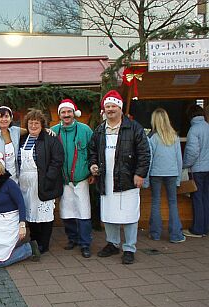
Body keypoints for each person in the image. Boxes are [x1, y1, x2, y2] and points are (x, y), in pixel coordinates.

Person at [88, 90, 150, 265]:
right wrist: (93, 165)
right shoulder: (100, 130)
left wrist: (140, 173)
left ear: (120, 108)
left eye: (113, 106)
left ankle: (129, 248)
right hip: (106, 179)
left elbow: (144, 153)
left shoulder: (134, 128)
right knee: (109, 213)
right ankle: (112, 243)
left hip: (128, 179)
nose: (110, 109)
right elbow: (92, 151)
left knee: (130, 214)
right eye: (107, 106)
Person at [51, 99, 94, 258]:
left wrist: (91, 172)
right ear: (60, 115)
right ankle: (72, 239)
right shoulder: (53, 131)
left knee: (83, 212)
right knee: (67, 211)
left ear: (74, 113)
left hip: (81, 179)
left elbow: (93, 153)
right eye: (63, 112)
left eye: (69, 112)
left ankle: (85, 243)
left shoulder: (85, 130)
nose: (66, 115)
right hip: (63, 181)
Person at [18, 109, 63, 254]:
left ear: (42, 124)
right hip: (25, 182)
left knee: (44, 214)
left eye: (36, 123)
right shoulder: (23, 139)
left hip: (43, 181)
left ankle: (44, 243)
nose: (33, 125)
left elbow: (57, 160)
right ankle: (34, 239)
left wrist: (49, 178)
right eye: (30, 123)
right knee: (30, 212)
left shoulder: (50, 139)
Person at [148, 108, 185, 243]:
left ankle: (155, 233)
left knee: (156, 202)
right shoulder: (174, 137)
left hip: (155, 173)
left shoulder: (152, 138)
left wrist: (146, 180)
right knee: (173, 203)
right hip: (172, 173)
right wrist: (179, 178)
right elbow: (179, 159)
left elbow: (149, 159)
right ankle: (176, 235)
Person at [182, 104, 209, 238]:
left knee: (197, 198)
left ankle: (198, 229)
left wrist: (185, 164)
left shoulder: (194, 130)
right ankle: (206, 227)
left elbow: (192, 152)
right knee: (206, 197)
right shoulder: (207, 127)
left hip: (198, 169)